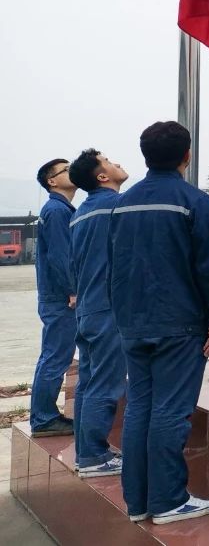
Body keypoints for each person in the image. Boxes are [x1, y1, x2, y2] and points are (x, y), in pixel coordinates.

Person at [109, 121, 209, 523]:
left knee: (139, 407)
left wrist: (122, 316)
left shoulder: (123, 203)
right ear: (187, 156)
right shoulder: (195, 201)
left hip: (133, 322)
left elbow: (115, 264)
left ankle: (138, 501)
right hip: (179, 323)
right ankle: (168, 501)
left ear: (145, 155)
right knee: (171, 411)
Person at [68, 149, 129, 477]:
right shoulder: (118, 206)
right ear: (102, 176)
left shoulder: (80, 213)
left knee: (88, 382)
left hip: (88, 308)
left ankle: (86, 452)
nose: (116, 162)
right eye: (108, 161)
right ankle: (93, 456)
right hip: (109, 308)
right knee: (106, 383)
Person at [30, 157, 78, 438]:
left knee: (52, 355)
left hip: (54, 295)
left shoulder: (57, 208)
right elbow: (61, 255)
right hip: (60, 297)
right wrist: (73, 289)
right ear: (52, 181)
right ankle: (44, 418)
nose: (72, 172)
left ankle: (43, 416)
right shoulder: (58, 210)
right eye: (66, 170)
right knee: (56, 357)